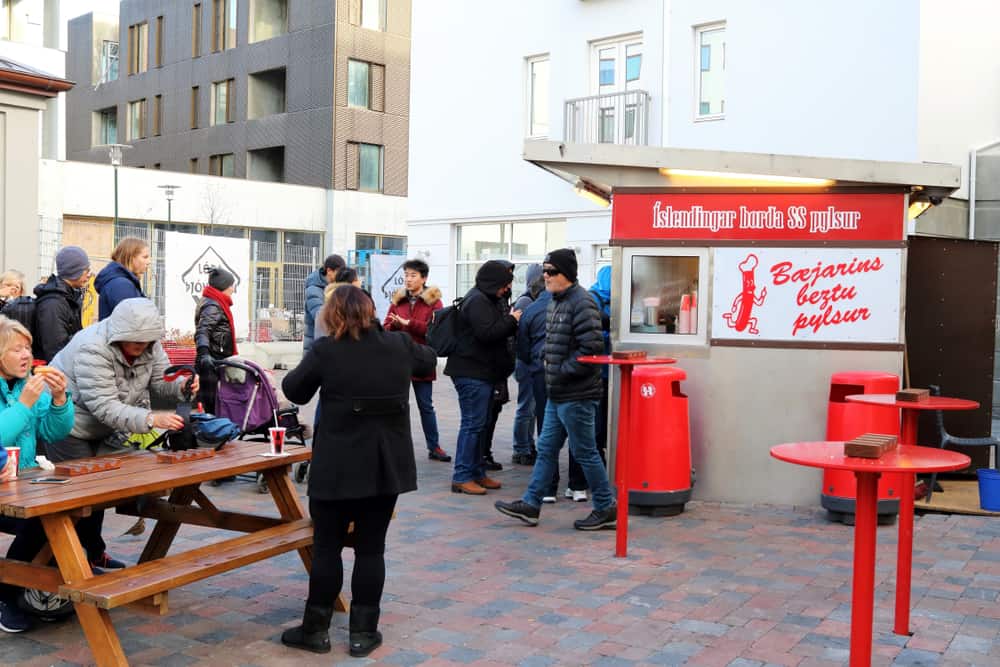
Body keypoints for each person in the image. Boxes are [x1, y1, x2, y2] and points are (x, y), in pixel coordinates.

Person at [281, 285, 436, 657]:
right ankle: (363, 634)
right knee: (371, 550)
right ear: (370, 312)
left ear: (332, 315)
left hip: (336, 467)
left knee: (327, 548)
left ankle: (315, 630)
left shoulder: (326, 350)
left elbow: (294, 390)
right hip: (385, 468)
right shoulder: (398, 346)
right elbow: (429, 359)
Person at [49, 298, 196, 570]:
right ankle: (66, 562)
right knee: (79, 496)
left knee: (100, 490)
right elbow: (104, 406)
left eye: (146, 341)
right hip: (68, 424)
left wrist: (182, 385)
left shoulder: (150, 344)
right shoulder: (92, 347)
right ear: (118, 333)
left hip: (107, 426)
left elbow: (161, 381)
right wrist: (152, 419)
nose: (141, 347)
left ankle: (92, 553)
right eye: (134, 341)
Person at [495, 248, 617, 530]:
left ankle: (605, 506)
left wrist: (560, 370)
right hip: (557, 393)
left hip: (577, 394)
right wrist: (546, 362)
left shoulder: (583, 303)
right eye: (545, 270)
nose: (546, 276)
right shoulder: (554, 301)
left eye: (552, 272)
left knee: (585, 451)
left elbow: (591, 350)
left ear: (568, 275)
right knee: (547, 448)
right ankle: (531, 503)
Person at [0, 316, 74, 632]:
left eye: (28, 348)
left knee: (75, 512)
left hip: (21, 483)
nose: (26, 355)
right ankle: (6, 596)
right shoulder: (26, 392)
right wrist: (23, 403)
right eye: (16, 349)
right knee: (40, 522)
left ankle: (40, 586)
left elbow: (54, 432)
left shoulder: (31, 384)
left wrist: (59, 400)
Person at [444, 260, 520, 495]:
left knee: (481, 424)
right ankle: (462, 476)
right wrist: (512, 320)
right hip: (471, 373)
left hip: (483, 372)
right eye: (504, 285)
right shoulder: (477, 300)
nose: (506, 289)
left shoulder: (487, 299)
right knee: (473, 424)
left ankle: (477, 472)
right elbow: (487, 333)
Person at [384, 259, 450, 462]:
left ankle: (434, 446)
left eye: (413, 275)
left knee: (426, 405)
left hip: (422, 358)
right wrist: (394, 325)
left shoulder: (434, 302)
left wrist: (409, 324)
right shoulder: (398, 301)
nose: (408, 280)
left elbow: (434, 332)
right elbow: (385, 327)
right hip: (399, 360)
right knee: (397, 406)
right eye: (406, 276)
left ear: (424, 278)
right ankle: (395, 447)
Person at [33, 246, 91, 362]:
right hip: (53, 374)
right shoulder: (53, 303)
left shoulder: (69, 297)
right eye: (86, 270)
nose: (89, 275)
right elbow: (55, 351)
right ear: (74, 271)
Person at [511, 264, 543, 465]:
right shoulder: (525, 301)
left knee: (530, 407)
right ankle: (521, 448)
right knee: (526, 406)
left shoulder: (530, 299)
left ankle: (527, 445)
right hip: (525, 362)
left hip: (529, 360)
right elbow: (523, 335)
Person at [195, 267, 238, 413]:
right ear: (223, 286)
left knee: (212, 402)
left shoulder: (214, 302)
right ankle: (213, 430)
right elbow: (203, 330)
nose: (233, 288)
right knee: (212, 405)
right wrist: (204, 354)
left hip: (214, 359)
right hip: (213, 362)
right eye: (231, 285)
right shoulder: (213, 305)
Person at [95, 237, 150, 320]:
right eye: (145, 257)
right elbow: (131, 322)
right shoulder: (120, 285)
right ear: (130, 257)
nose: (149, 262)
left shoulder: (122, 281)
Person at [303, 253, 346, 352]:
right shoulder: (314, 289)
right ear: (329, 271)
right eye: (338, 273)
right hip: (316, 348)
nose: (340, 277)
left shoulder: (334, 287)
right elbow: (320, 317)